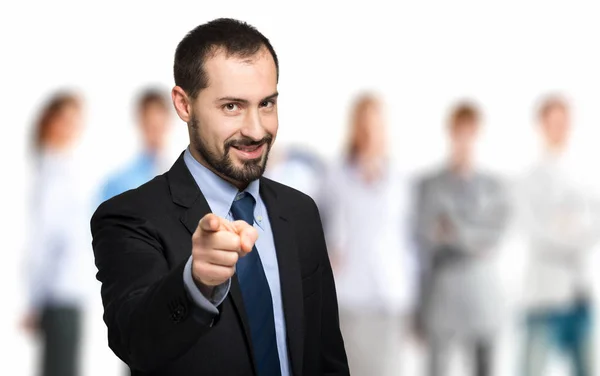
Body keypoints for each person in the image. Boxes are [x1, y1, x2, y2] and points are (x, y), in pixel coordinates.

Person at [90, 18, 349, 376]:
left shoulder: (300, 211)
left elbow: (326, 356)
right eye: (232, 107)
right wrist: (195, 283)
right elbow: (133, 341)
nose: (256, 130)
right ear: (184, 105)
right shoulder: (129, 217)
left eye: (267, 104)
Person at [321, 93, 417, 376]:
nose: (372, 132)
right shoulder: (336, 175)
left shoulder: (399, 179)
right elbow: (316, 223)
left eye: (377, 125)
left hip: (391, 294)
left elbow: (408, 239)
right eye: (365, 125)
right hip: (350, 295)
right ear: (356, 128)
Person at [412, 102, 510, 376]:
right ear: (450, 133)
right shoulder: (428, 185)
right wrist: (472, 234)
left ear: (478, 134)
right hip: (442, 295)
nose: (464, 140)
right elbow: (424, 240)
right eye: (459, 132)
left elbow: (492, 240)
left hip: (483, 297)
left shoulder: (495, 187)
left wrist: (452, 230)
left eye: (470, 132)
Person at [517, 95, 600, 376]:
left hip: (579, 295)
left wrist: (565, 225)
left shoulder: (586, 173)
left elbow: (595, 227)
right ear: (541, 125)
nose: (560, 129)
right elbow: (537, 235)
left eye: (564, 123)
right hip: (543, 299)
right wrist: (575, 230)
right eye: (553, 123)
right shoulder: (529, 177)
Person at [22, 91, 90, 376]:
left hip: (70, 294)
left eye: (76, 120)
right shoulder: (51, 174)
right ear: (49, 122)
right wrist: (34, 299)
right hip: (57, 296)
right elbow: (43, 243)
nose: (72, 127)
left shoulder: (66, 169)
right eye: (66, 119)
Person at [100, 88, 173, 203]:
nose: (155, 132)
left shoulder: (185, 175)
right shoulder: (119, 182)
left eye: (159, 126)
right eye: (150, 125)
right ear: (140, 122)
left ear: (169, 122)